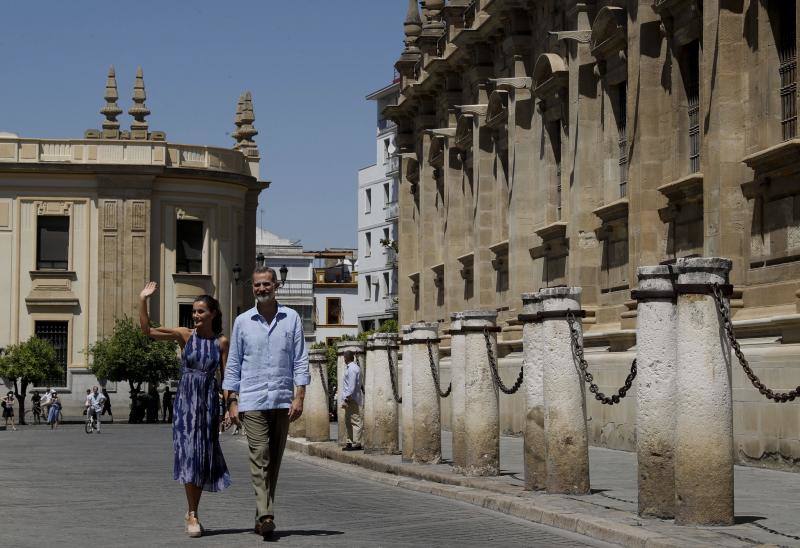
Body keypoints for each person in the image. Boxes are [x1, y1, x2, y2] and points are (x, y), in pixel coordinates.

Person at [223, 266, 309, 539]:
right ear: (253, 288)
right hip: (253, 400)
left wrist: (300, 396)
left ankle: (260, 516)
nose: (262, 289)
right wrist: (232, 401)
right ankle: (267, 514)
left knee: (274, 462)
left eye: (266, 284)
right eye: (257, 285)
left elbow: (300, 359)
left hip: (282, 400)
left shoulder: (292, 318)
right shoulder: (243, 322)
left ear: (276, 285)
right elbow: (233, 363)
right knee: (260, 456)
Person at [139, 282, 230, 538]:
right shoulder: (184, 335)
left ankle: (193, 510)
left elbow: (226, 379)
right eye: (194, 311)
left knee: (201, 457)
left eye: (200, 311)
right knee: (189, 454)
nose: (195, 315)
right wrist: (143, 299)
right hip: (185, 404)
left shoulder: (221, 342)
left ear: (212, 313)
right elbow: (147, 331)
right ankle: (192, 513)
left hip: (208, 405)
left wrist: (227, 408)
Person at [340, 351, 363, 451]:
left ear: (346, 358)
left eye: (344, 357)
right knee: (348, 421)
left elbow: (351, 386)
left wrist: (346, 398)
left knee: (355, 420)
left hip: (351, 398)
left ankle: (357, 443)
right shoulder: (350, 367)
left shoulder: (352, 369)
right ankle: (350, 441)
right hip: (350, 398)